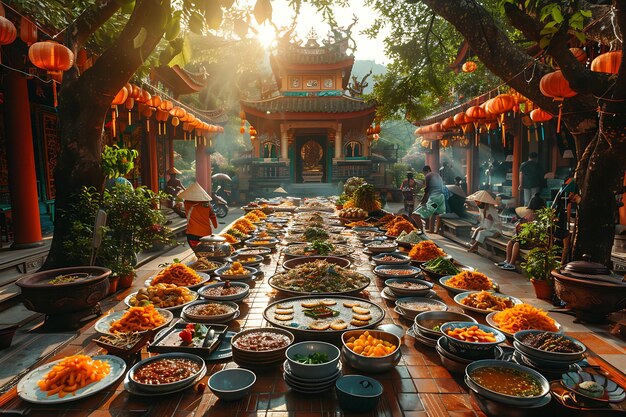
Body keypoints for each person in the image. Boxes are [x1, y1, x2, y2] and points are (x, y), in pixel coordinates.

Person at [497, 194, 546, 270]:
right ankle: (507, 260)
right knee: (511, 242)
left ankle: (511, 263)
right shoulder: (532, 216)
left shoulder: (536, 217)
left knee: (516, 243)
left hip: (533, 241)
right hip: (527, 239)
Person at [178, 182, 218, 249]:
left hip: (192, 233)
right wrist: (215, 225)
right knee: (205, 252)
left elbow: (181, 209)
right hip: (206, 234)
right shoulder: (208, 205)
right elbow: (213, 216)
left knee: (198, 252)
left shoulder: (187, 203)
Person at [412, 166, 446, 233]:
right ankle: (434, 230)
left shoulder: (428, 175)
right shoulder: (437, 175)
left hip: (434, 199)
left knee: (415, 214)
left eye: (424, 173)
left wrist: (422, 201)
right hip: (441, 198)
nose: (424, 175)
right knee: (434, 212)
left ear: (426, 171)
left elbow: (427, 190)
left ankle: (421, 231)